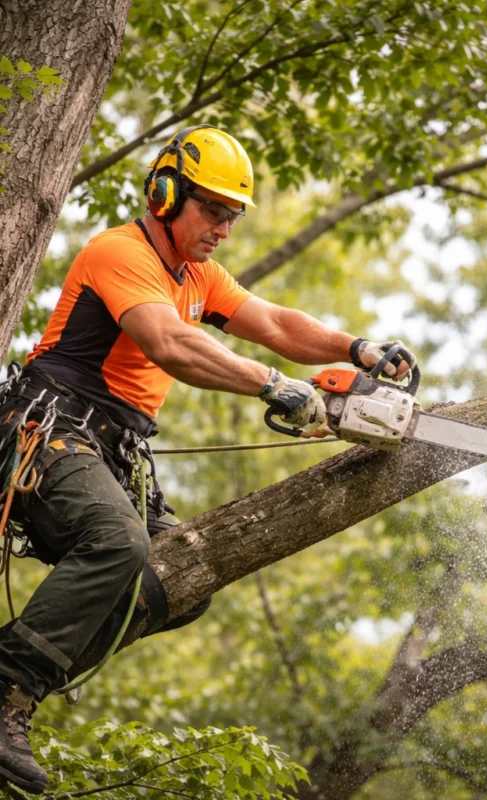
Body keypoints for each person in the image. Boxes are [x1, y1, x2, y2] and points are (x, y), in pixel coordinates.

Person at [0, 124, 416, 794]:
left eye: (232, 216)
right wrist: (272, 385)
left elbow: (277, 323)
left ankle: (25, 667)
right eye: (212, 210)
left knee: (184, 577)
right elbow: (169, 344)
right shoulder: (120, 252)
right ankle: (9, 688)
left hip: (114, 450)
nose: (223, 227)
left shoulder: (199, 277)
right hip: (52, 429)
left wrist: (358, 349)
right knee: (117, 543)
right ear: (165, 193)